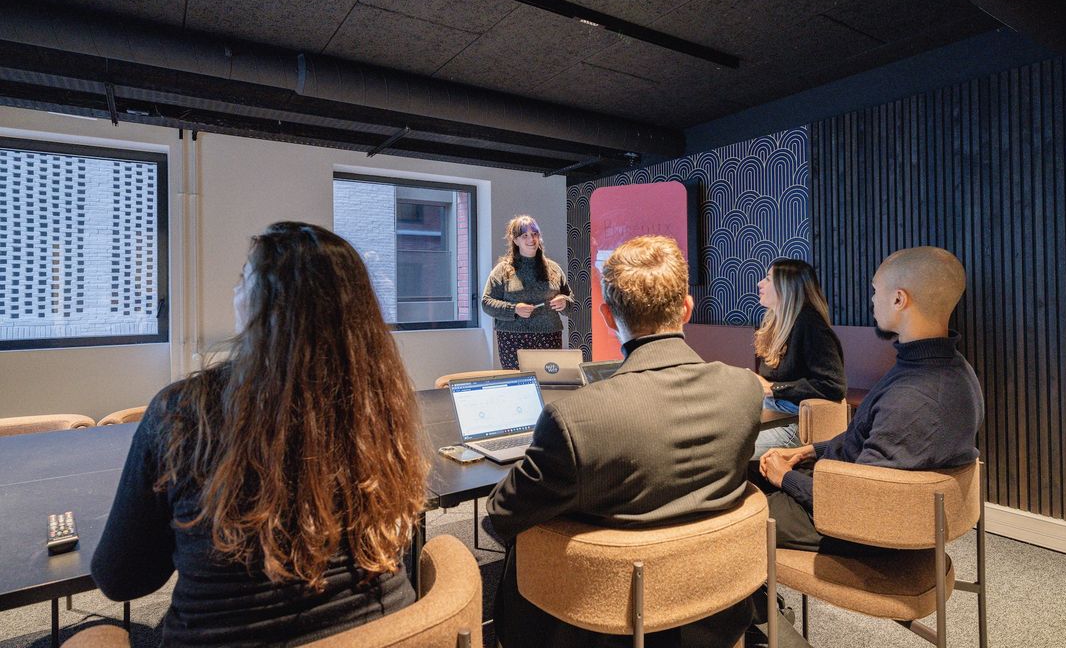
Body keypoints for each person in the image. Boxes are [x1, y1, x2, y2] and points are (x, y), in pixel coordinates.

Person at [91, 222, 428, 646]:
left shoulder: (184, 412)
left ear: (261, 305)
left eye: (242, 281)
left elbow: (122, 580)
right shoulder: (379, 403)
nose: (233, 293)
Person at [487, 235, 764, 648]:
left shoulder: (575, 417)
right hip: (719, 608)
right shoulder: (745, 390)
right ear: (687, 308)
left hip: (600, 623)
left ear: (605, 315)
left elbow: (502, 515)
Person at [756, 246, 984, 553]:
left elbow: (861, 502)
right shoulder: (955, 371)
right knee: (748, 473)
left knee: (738, 512)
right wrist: (809, 451)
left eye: (876, 291)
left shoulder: (913, 397)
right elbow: (866, 437)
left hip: (859, 526)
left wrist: (787, 479)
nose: (873, 300)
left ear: (899, 299)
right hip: (858, 489)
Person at [751, 259, 846, 459]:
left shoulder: (810, 325)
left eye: (768, 279)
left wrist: (773, 389)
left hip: (795, 422)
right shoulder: (776, 324)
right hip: (773, 413)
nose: (760, 284)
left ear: (787, 288)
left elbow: (833, 386)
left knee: (731, 450)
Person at [482, 215, 574, 369]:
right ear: (515, 240)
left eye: (535, 234)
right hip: (513, 339)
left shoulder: (554, 269)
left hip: (549, 336)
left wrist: (564, 302)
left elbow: (570, 302)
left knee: (549, 384)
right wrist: (514, 309)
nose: (531, 239)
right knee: (518, 386)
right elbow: (486, 303)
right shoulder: (503, 270)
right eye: (525, 235)